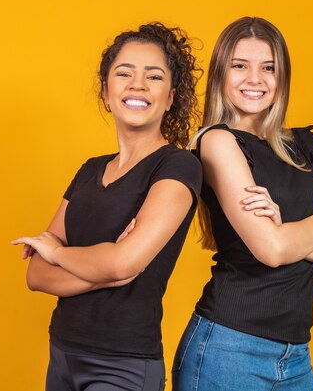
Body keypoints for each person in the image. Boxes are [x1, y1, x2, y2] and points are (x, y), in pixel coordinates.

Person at [12, 22, 202, 391]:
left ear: (171, 97)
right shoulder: (89, 169)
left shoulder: (178, 166)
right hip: (63, 354)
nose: (137, 85)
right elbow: (36, 275)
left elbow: (122, 263)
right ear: (106, 90)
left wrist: (57, 251)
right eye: (124, 73)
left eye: (154, 76)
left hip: (123, 365)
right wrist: (108, 269)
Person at [171, 17, 313, 391]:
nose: (254, 78)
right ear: (221, 74)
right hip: (228, 350)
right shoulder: (218, 142)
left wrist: (284, 228)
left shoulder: (303, 146)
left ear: (282, 77)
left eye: (268, 67)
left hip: (296, 355)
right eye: (240, 66)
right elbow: (271, 250)